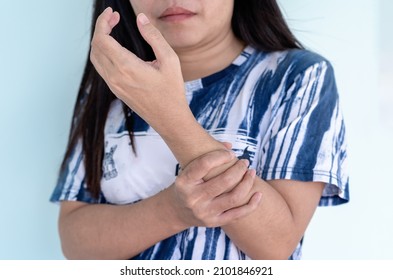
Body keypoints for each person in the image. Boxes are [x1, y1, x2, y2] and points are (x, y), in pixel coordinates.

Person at [50, 0, 349, 260]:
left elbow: (276, 245)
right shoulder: (112, 85)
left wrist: (170, 116)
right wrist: (172, 211)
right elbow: (75, 240)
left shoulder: (297, 77)